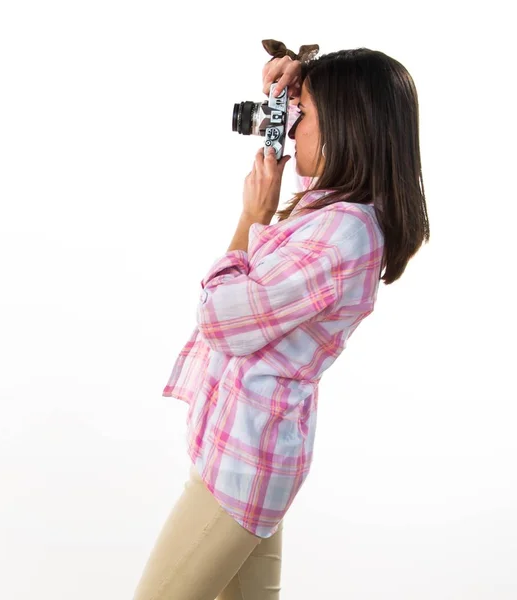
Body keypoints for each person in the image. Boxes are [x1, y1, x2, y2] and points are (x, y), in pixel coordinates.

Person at [132, 41, 430, 600]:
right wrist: (293, 87)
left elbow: (221, 318)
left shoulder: (340, 235)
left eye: (305, 116)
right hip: (246, 456)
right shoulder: (334, 213)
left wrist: (252, 215)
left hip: (241, 471)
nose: (291, 130)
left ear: (346, 125)